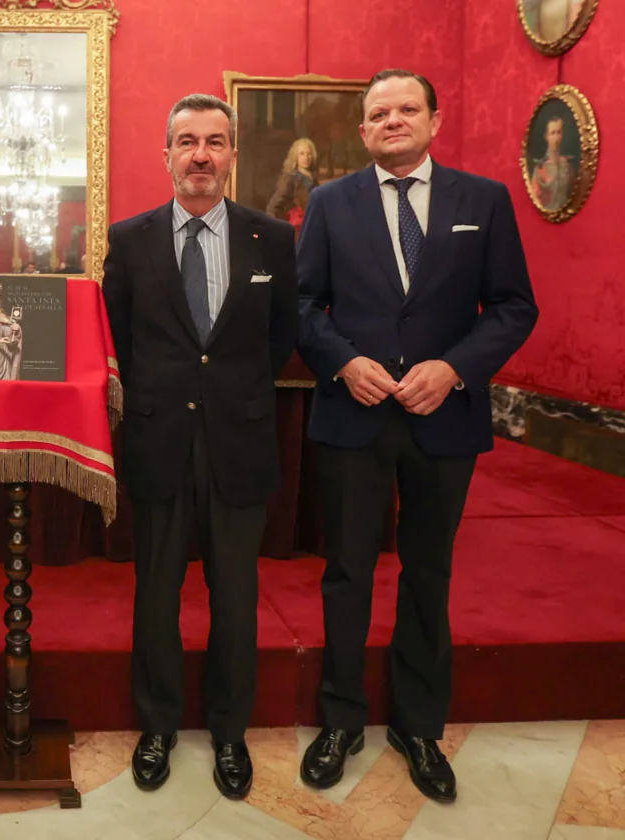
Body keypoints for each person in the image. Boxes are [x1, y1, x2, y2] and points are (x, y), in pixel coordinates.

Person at [296, 69, 538, 803]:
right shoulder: (330, 203)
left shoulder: (484, 201)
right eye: (378, 114)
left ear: (435, 119)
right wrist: (343, 362)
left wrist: (455, 368)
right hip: (355, 414)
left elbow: (512, 307)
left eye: (407, 109)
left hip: (446, 418)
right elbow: (305, 307)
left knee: (429, 572)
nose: (392, 121)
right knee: (347, 571)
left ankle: (418, 724)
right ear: (363, 131)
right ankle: (340, 719)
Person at [102, 93, 297, 800]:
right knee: (155, 596)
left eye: (215, 142)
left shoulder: (271, 238)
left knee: (237, 598)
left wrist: (233, 395)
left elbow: (281, 337)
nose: (201, 156)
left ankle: (228, 731)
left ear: (233, 155)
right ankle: (155, 726)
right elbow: (117, 338)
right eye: (187, 142)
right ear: (166, 155)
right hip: (158, 440)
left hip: (238, 442)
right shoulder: (130, 240)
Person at [265, 137, 318, 232]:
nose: (306, 158)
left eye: (309, 154)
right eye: (301, 154)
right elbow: (272, 209)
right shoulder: (290, 179)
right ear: (295, 156)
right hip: (296, 233)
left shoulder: (313, 180)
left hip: (311, 230)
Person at [530, 116, 575, 212]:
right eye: (553, 133)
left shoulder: (568, 166)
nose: (556, 137)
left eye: (559, 132)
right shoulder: (540, 168)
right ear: (547, 136)